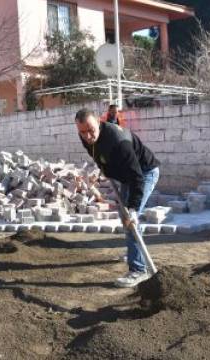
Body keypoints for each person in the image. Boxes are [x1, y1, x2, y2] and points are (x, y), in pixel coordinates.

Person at [75, 108, 160, 288]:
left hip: (144, 174)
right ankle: (134, 251)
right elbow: (99, 155)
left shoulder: (119, 141)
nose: (87, 136)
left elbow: (137, 177)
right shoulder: (86, 136)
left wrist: (134, 209)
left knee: (131, 220)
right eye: (82, 132)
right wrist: (99, 172)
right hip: (126, 175)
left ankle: (138, 270)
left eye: (90, 130)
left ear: (99, 121)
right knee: (125, 218)